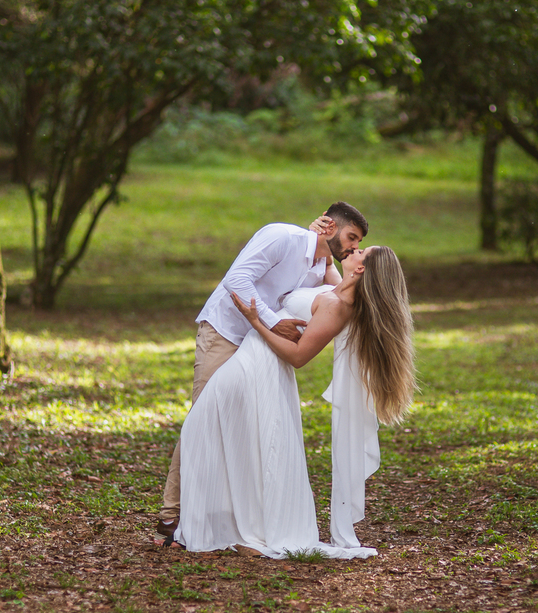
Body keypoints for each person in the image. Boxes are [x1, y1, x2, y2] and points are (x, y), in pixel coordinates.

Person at [174, 244, 417, 559]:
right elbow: (325, 263)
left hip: (262, 364)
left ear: (360, 269)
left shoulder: (340, 305)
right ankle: (238, 527)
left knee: (200, 426)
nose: (354, 249)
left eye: (360, 251)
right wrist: (320, 236)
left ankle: (241, 528)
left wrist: (257, 320)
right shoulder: (336, 287)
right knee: (233, 438)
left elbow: (299, 356)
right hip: (253, 358)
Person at [155, 203, 369, 546]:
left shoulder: (320, 266)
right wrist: (271, 321)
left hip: (263, 353)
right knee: (203, 418)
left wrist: (330, 259)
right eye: (350, 237)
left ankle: (223, 515)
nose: (352, 248)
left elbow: (345, 290)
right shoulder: (280, 236)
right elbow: (235, 279)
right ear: (329, 226)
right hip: (226, 334)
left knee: (242, 427)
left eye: (357, 243)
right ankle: (172, 515)